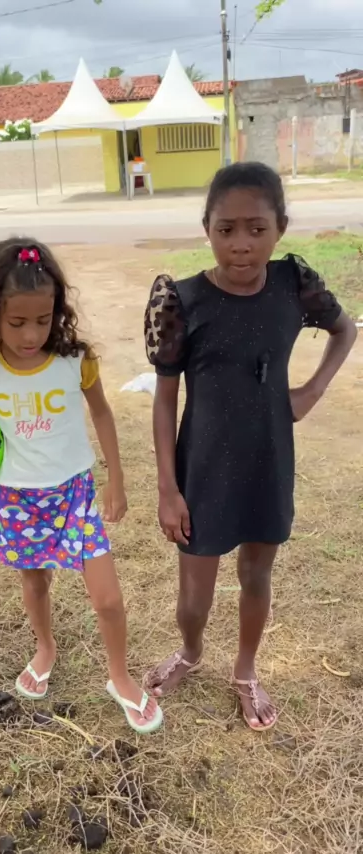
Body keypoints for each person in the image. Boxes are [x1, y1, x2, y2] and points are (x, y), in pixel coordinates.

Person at [0, 238, 162, 735]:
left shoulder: (74, 359)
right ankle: (45, 648)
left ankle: (120, 677)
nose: (32, 333)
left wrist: (116, 479)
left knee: (107, 598)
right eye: (17, 322)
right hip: (18, 499)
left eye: (43, 319)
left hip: (75, 495)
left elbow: (102, 413)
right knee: (35, 583)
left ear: (57, 312)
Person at [143, 162, 357, 731]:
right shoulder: (182, 301)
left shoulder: (294, 284)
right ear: (207, 229)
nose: (241, 244)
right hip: (203, 467)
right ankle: (191, 651)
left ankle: (245, 670)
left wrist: (311, 389)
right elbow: (164, 402)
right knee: (195, 595)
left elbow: (346, 329)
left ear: (280, 227)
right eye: (226, 229)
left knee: (256, 575)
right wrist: (168, 489)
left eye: (257, 229)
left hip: (268, 460)